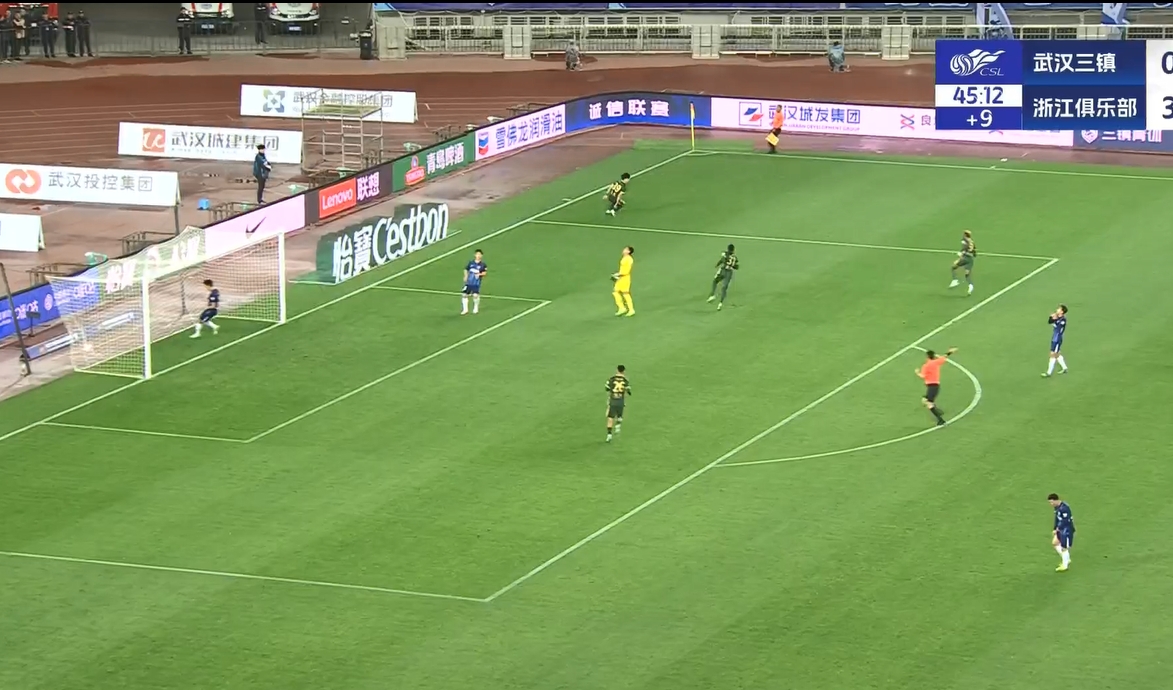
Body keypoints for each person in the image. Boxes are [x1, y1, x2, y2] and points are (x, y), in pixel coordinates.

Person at [916, 347, 957, 427]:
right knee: (924, 400)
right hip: (935, 386)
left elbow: (923, 376)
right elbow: (944, 357)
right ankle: (938, 412)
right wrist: (949, 352)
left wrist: (917, 373)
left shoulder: (926, 366)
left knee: (929, 404)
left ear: (927, 356)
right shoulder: (936, 362)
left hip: (932, 386)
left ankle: (941, 420)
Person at [1047, 493, 1075, 572]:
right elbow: (1057, 518)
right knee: (1055, 543)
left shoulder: (1064, 508)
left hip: (1067, 530)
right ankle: (1067, 559)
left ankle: (1065, 565)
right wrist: (1055, 528)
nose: (1051, 504)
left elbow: (1065, 521)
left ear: (1056, 500)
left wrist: (1058, 528)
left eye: (1052, 502)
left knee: (1064, 547)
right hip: (1060, 529)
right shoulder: (1057, 507)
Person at [707, 244, 739, 310]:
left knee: (715, 281)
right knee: (724, 288)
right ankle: (720, 303)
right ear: (733, 250)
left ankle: (712, 295)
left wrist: (717, 264)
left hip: (723, 271)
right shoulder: (735, 258)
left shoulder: (725, 254)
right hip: (729, 273)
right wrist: (733, 266)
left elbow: (722, 260)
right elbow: (736, 267)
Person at [604, 365, 631, 443]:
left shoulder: (611, 379)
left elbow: (607, 388)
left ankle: (609, 435)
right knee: (620, 416)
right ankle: (618, 425)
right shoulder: (625, 380)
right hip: (620, 401)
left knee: (610, 418)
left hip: (613, 400)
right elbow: (628, 390)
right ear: (624, 371)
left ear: (617, 370)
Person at [1042, 304, 1069, 377]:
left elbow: (1058, 325)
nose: (1057, 309)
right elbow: (1050, 322)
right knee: (1057, 354)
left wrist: (1055, 318)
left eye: (1059, 309)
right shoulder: (1057, 317)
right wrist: (1051, 317)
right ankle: (1065, 368)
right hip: (1054, 338)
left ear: (1062, 312)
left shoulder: (1063, 320)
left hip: (1057, 339)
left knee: (1052, 354)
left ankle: (1049, 373)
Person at [949, 230, 977, 295]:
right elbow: (974, 252)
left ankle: (955, 280)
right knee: (967, 275)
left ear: (965, 235)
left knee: (953, 267)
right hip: (970, 260)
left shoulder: (965, 240)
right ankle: (970, 286)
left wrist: (960, 254)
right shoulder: (972, 242)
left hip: (965, 258)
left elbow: (964, 248)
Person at [461, 249, 487, 316]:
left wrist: (479, 274)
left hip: (476, 283)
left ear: (481, 256)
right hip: (469, 282)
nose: (478, 256)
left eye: (479, 254)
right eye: (477, 254)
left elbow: (484, 273)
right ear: (475, 255)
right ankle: (465, 310)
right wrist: (465, 276)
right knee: (464, 295)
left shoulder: (483, 265)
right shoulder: (471, 263)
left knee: (475, 295)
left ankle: (476, 308)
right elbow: (466, 269)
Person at [611, 245, 635, 317]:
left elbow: (626, 271)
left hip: (625, 278)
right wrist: (618, 274)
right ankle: (622, 308)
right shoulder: (624, 258)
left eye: (625, 249)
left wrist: (618, 274)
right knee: (615, 292)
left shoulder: (629, 259)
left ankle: (631, 310)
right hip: (621, 278)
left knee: (625, 294)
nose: (623, 250)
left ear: (628, 251)